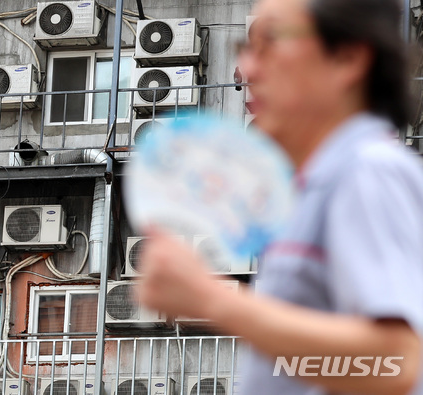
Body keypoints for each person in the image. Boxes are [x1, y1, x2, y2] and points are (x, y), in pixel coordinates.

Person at [136, 0, 423, 394]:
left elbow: (396, 362)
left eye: (270, 41)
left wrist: (211, 300)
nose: (247, 70)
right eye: (247, 48)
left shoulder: (367, 170)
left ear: (347, 58)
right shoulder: (310, 187)